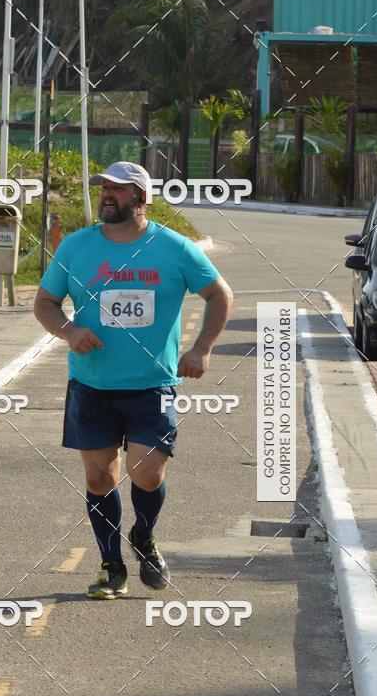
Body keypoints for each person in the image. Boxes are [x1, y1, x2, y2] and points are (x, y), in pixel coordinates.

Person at [34, 161, 233, 600]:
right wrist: (69, 331)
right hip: (91, 385)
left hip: (152, 384)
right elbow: (45, 301)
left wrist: (202, 348)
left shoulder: (174, 247)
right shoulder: (76, 246)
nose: (107, 194)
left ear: (142, 197)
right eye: (104, 187)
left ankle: (144, 535)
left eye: (119, 189)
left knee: (147, 472)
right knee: (99, 478)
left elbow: (219, 294)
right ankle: (112, 565)